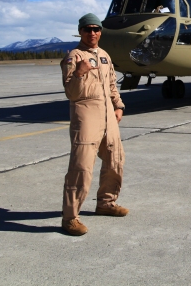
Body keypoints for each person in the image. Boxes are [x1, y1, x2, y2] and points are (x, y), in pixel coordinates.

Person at [59, 13, 127, 236]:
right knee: (82, 167)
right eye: (87, 29)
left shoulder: (105, 56)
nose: (92, 33)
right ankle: (70, 218)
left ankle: (105, 204)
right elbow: (71, 93)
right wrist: (79, 73)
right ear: (80, 32)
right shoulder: (74, 56)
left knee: (115, 159)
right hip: (86, 113)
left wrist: (118, 106)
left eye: (96, 29)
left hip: (108, 114)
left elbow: (112, 85)